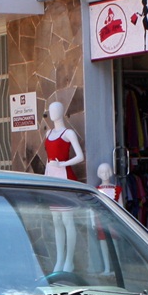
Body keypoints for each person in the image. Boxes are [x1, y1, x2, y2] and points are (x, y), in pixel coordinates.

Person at [41, 101, 85, 274]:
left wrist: (63, 164)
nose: (52, 113)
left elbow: (80, 156)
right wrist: (46, 178)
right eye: (50, 110)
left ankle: (69, 261)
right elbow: (48, 160)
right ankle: (59, 260)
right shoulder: (48, 133)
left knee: (67, 220)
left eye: (56, 109)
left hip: (65, 178)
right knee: (57, 222)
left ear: (61, 111)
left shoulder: (68, 133)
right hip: (52, 179)